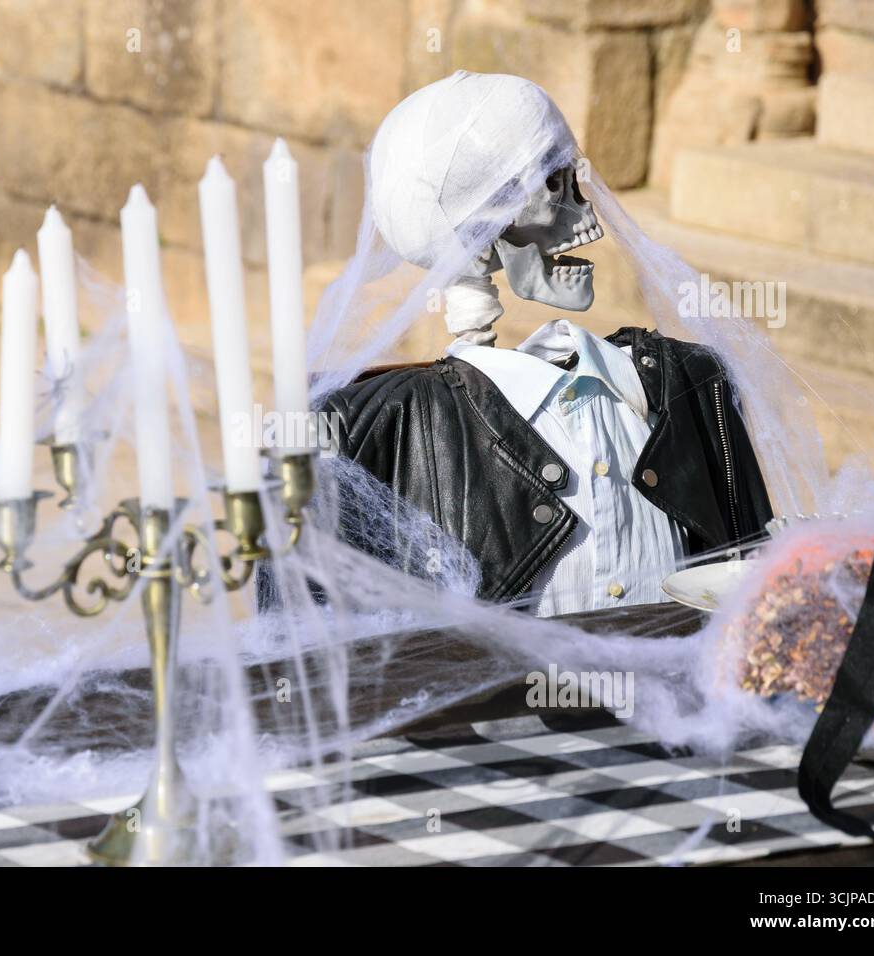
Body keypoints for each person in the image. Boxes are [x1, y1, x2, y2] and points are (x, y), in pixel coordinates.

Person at [318, 72, 773, 613]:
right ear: (484, 223)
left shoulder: (687, 383)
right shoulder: (382, 429)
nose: (586, 211)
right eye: (553, 185)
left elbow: (753, 582)